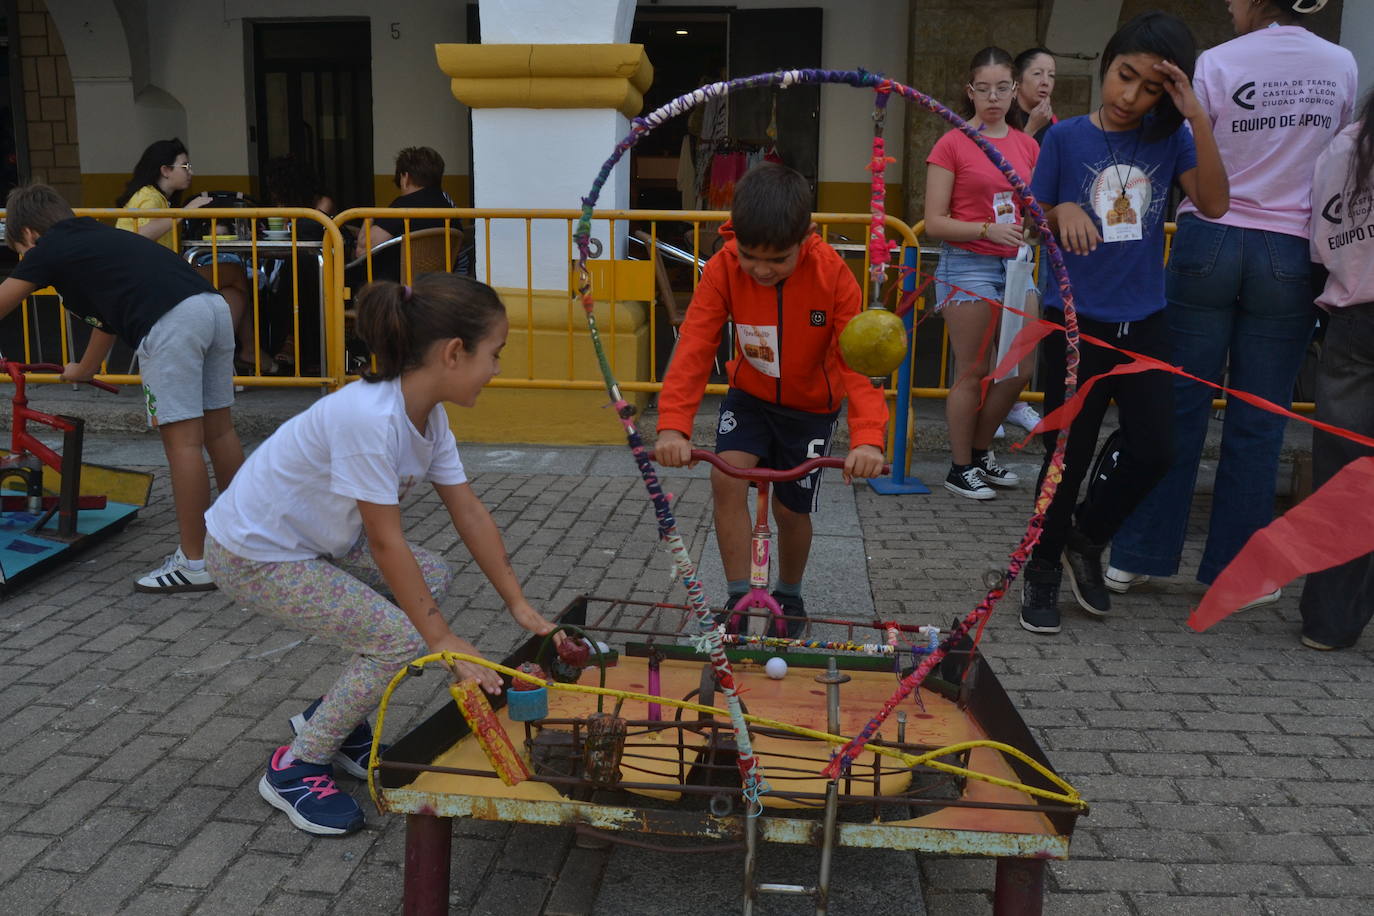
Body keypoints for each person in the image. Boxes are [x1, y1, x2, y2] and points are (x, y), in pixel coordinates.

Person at [203, 273, 558, 835]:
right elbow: (386, 540)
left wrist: (517, 603)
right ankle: (295, 767)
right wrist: (441, 640)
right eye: (496, 354)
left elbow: (467, 511)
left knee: (432, 577)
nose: (497, 369)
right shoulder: (371, 418)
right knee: (400, 637)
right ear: (453, 352)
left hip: (311, 542)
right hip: (252, 553)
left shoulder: (426, 413)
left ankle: (335, 722)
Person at [1106, 0, 1357, 605]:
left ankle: (1138, 555)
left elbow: (1188, 149)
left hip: (1208, 240)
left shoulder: (1216, 62)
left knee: (1178, 404)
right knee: (1259, 414)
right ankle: (1239, 570)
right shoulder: (1342, 63)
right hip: (1291, 250)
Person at [1020, 11, 1229, 634]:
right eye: (1123, 76)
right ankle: (1041, 567)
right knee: (1067, 452)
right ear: (1106, 64)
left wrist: (1195, 115)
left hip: (1146, 322)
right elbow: (1033, 218)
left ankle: (1086, 537)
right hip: (1074, 324)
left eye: (1148, 88)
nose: (1130, 97)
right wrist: (1059, 209)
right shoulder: (1064, 138)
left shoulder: (1171, 139)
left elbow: (1215, 203)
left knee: (1157, 447)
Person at [654, 163, 888, 633]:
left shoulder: (834, 276)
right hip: (750, 398)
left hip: (809, 409)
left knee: (790, 508)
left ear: (808, 236)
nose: (761, 270)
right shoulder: (722, 267)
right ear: (733, 237)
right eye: (749, 255)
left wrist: (868, 439)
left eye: (778, 259)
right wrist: (673, 425)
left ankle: (790, 594)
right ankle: (738, 597)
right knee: (726, 482)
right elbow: (696, 344)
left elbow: (857, 363)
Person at [0, 183, 245, 593]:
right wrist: (84, 368)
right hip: (211, 307)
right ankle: (249, 544)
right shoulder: (97, 238)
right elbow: (107, 320)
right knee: (220, 432)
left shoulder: (47, 248)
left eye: (21, 253)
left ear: (27, 235)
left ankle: (196, 561)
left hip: (171, 322)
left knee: (183, 444)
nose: (26, 262)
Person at [925, 46, 1041, 501]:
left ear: (1015, 91)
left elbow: (1035, 208)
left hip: (1015, 264)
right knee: (972, 369)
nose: (993, 97)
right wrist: (987, 228)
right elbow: (934, 221)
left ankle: (978, 453)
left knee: (1018, 368)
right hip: (966, 261)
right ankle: (959, 467)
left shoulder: (1027, 144)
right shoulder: (952, 141)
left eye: (1003, 88)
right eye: (984, 88)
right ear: (970, 92)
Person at [1296, 90, 1374, 650]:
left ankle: (1330, 623)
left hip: (1352, 319)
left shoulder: (1345, 146)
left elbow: (1321, 245)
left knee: (1344, 475)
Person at [116, 139, 267, 373]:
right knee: (235, 272)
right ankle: (228, 353)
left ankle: (231, 354)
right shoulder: (150, 198)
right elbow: (139, 237)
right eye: (185, 167)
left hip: (156, 277)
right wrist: (184, 213)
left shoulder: (156, 198)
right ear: (165, 170)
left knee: (234, 292)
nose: (191, 173)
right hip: (148, 284)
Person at [353, 146, 455, 281]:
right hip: (435, 285)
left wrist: (370, 217)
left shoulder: (403, 207)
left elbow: (362, 250)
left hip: (392, 289)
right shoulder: (449, 208)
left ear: (406, 177)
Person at [1011, 47, 1058, 143]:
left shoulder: (1051, 119)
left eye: (1051, 75)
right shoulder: (1004, 118)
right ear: (1017, 80)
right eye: (1037, 73)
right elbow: (1004, 157)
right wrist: (1031, 128)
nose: (1046, 82)